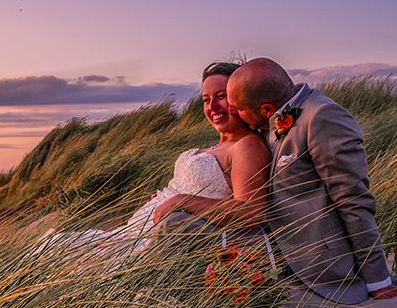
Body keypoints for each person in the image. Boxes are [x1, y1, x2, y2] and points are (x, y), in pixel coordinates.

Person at [225, 57, 397, 304]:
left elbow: (353, 201)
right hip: (275, 255)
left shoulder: (323, 117)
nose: (234, 113)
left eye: (238, 109)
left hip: (322, 269)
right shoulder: (270, 118)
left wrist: (379, 283)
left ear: (265, 109)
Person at [41, 61, 276, 264]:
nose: (212, 107)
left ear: (238, 97)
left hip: (162, 240)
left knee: (57, 255)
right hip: (134, 233)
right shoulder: (217, 144)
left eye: (221, 97)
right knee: (53, 250)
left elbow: (251, 211)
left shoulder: (246, 146)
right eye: (206, 99)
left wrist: (181, 201)